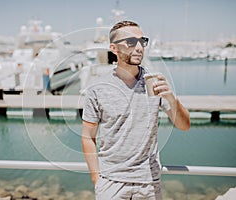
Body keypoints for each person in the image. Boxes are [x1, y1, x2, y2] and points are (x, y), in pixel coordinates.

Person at [81, 20, 190, 200]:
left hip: (149, 183)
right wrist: (96, 178)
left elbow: (184, 126)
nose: (139, 47)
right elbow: (87, 137)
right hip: (111, 183)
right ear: (114, 48)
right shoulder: (97, 88)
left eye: (142, 41)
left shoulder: (154, 82)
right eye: (131, 42)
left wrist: (171, 98)